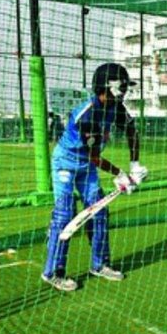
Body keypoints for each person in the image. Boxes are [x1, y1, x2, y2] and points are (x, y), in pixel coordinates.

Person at [41, 63, 148, 291]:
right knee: (65, 213)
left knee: (99, 211)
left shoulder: (116, 107)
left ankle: (100, 264)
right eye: (122, 86)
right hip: (66, 163)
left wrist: (135, 165)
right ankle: (53, 272)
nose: (125, 91)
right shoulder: (87, 113)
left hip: (87, 165)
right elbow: (94, 156)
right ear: (107, 86)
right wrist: (120, 174)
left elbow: (132, 131)